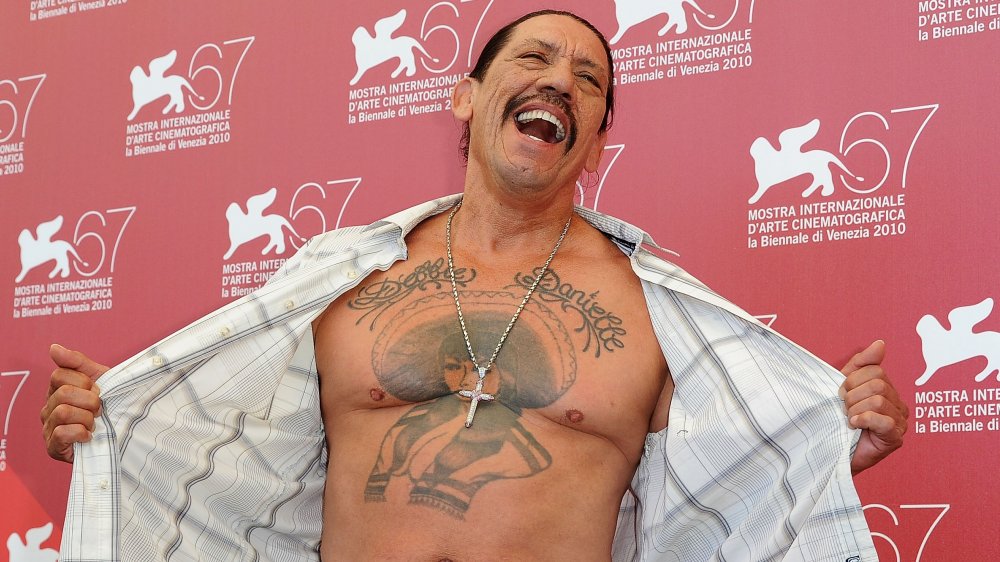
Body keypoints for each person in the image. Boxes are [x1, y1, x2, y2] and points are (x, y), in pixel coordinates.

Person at [41, 10, 908, 561]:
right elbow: (224, 458)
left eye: (590, 81)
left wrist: (835, 449)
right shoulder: (341, 280)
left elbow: (740, 483)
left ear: (596, 139)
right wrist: (107, 429)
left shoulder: (657, 313)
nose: (561, 80)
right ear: (465, 97)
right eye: (534, 56)